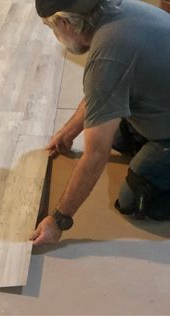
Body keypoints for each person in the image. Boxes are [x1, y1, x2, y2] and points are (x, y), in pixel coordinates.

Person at [30, 0, 170, 246]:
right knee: (115, 134)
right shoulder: (119, 11)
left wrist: (58, 221)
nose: (56, 36)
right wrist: (69, 131)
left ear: (65, 22)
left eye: (52, 28)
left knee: (135, 199)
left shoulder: (107, 55)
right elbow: (105, 89)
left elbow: (96, 154)